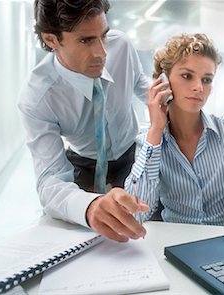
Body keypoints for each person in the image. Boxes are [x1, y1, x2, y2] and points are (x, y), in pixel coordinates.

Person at [124, 33, 224, 253]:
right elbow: (136, 212)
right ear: (163, 82)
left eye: (207, 79)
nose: (199, 87)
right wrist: (156, 129)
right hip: (174, 248)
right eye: (187, 76)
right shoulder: (149, 142)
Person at [18, 0, 150, 243]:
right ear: (51, 40)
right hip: (85, 161)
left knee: (144, 224)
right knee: (81, 233)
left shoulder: (121, 47)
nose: (101, 52)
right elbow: (50, 180)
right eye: (86, 40)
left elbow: (141, 86)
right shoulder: (37, 98)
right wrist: (89, 207)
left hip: (131, 151)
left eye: (104, 36)